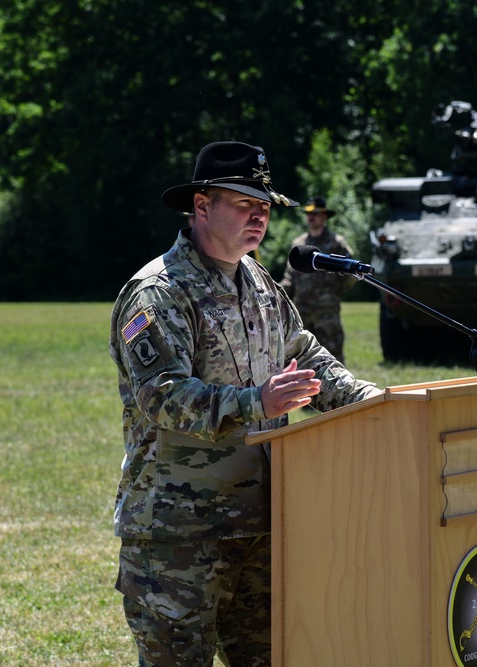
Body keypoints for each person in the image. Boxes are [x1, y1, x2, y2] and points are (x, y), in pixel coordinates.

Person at [108, 141, 381, 666]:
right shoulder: (157, 293)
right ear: (202, 206)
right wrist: (256, 401)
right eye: (244, 204)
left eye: (264, 207)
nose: (259, 217)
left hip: (260, 524)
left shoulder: (259, 282)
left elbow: (305, 355)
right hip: (178, 537)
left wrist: (372, 402)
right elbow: (162, 398)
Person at [281, 196, 357, 363]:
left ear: (325, 216)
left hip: (326, 311)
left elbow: (351, 273)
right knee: (301, 359)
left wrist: (335, 291)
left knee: (333, 357)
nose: (311, 217)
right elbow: (289, 276)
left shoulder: (336, 243)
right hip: (302, 311)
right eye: (308, 213)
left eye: (316, 213)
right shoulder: (299, 244)